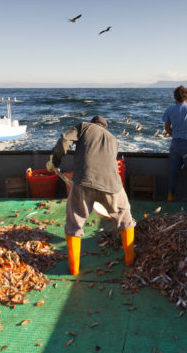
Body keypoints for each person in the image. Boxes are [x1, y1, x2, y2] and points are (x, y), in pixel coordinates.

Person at [47, 116, 136, 275]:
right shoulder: (114, 139)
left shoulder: (84, 127)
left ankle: (73, 268)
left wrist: (55, 160)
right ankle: (130, 258)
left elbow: (63, 141)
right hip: (112, 185)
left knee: (74, 221)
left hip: (83, 182)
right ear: (105, 127)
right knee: (125, 216)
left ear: (92, 123)